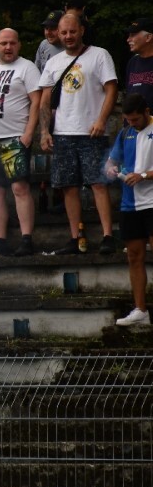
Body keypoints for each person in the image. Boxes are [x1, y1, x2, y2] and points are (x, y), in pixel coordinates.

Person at [39, 13, 118, 255]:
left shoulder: (100, 54)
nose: (68, 36)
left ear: (82, 30)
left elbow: (111, 89)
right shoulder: (53, 63)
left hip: (91, 131)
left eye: (72, 31)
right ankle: (75, 237)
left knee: (98, 183)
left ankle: (107, 236)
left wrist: (102, 120)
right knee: (68, 187)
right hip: (63, 132)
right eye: (63, 33)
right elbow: (44, 100)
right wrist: (44, 131)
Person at [0, 28, 42, 256]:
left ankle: (26, 239)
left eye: (12, 43)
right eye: (3, 43)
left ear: (19, 45)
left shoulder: (27, 67)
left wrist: (28, 133)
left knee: (19, 187)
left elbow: (36, 101)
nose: (8, 47)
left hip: (13, 136)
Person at [105, 94, 153, 326]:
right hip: (130, 203)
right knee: (134, 256)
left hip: (152, 202)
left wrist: (143, 175)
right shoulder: (125, 133)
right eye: (128, 120)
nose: (132, 123)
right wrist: (111, 169)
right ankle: (140, 310)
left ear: (146, 111)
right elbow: (111, 161)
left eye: (135, 119)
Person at [123, 18, 153, 108]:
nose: (128, 39)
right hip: (132, 121)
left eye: (132, 35)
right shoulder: (132, 62)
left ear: (148, 37)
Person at [35, 10, 65, 74]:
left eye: (53, 28)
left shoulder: (71, 47)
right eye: (46, 28)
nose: (48, 33)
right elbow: (36, 72)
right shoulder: (44, 44)